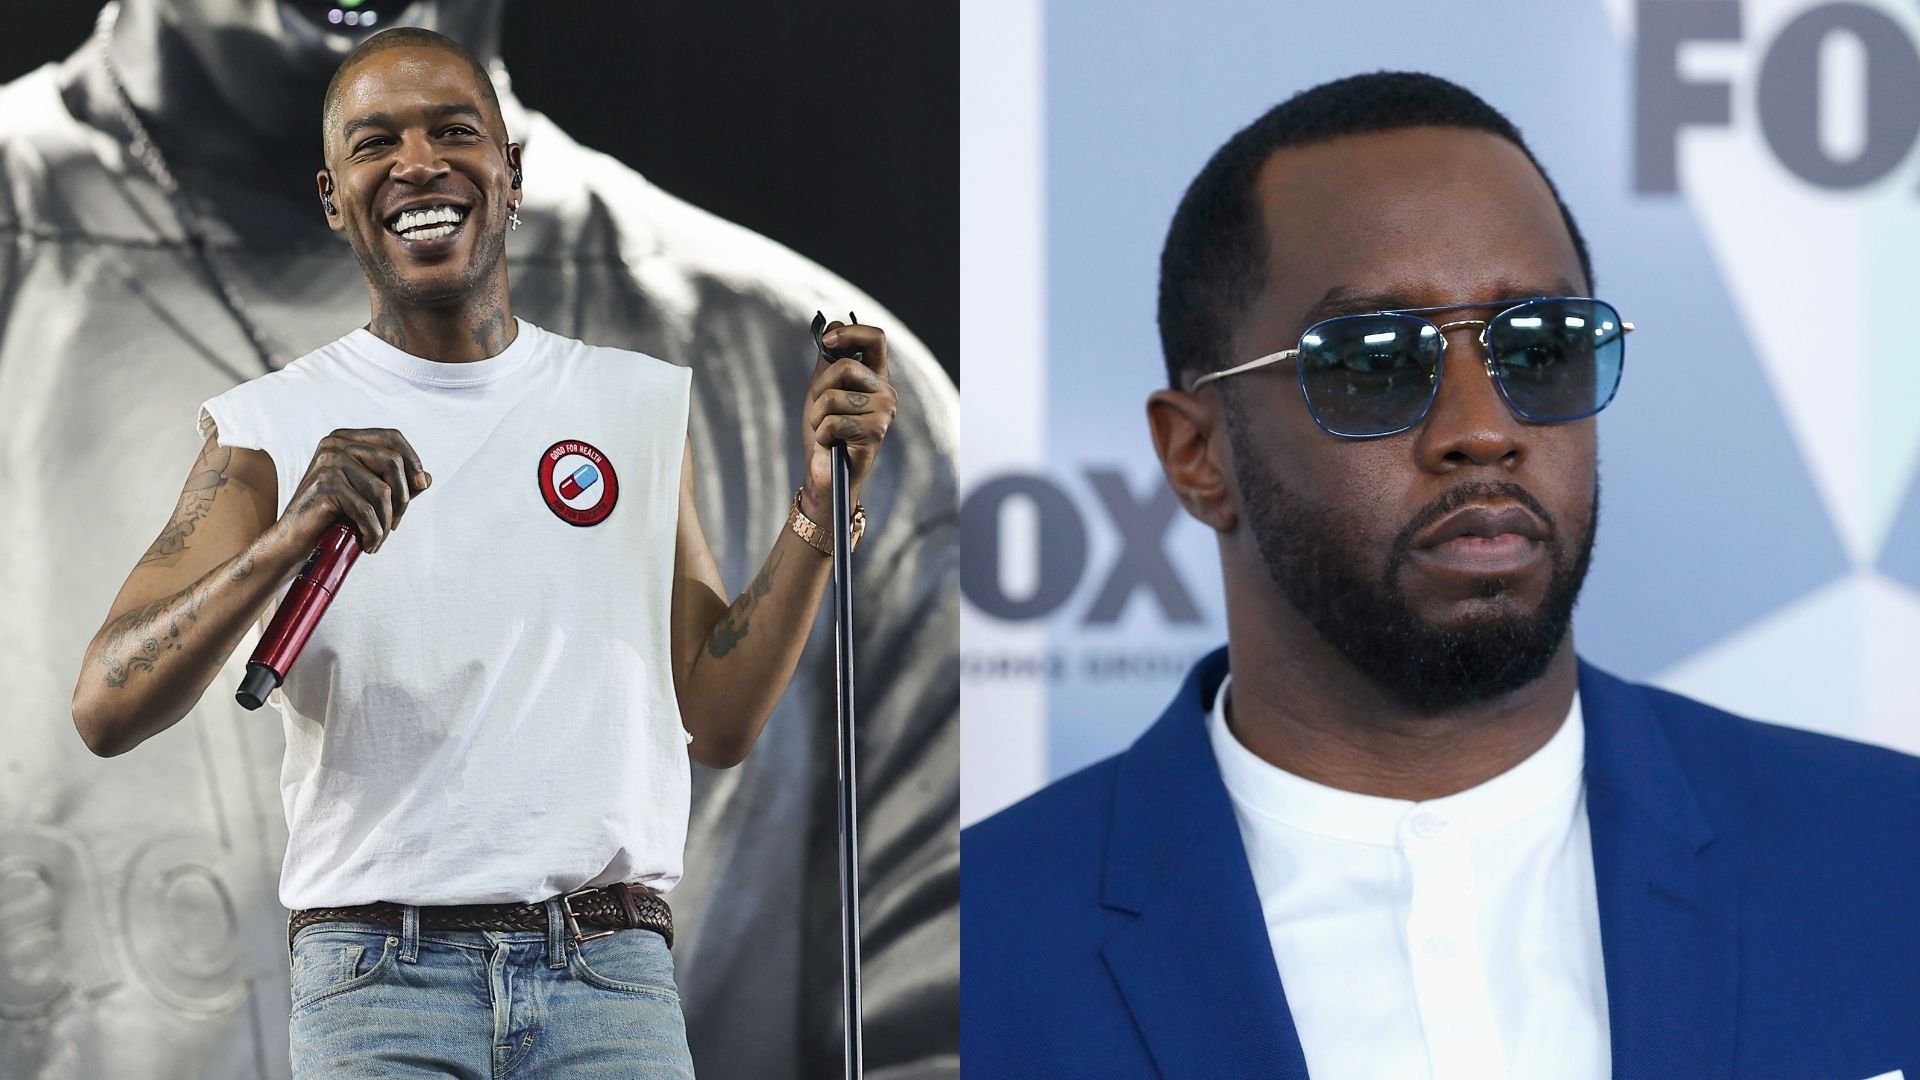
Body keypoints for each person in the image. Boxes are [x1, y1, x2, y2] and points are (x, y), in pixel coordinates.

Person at [1, 3, 955, 1079]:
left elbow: (719, 719)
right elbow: (104, 706)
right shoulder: (265, 428)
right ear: (334, 198)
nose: (417, 163)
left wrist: (816, 518)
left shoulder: (635, 402)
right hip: (381, 987)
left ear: (510, 169)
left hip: (608, 978)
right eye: (375, 142)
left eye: (452, 132)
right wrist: (287, 539)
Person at [962, 72, 1920, 1080]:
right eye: (1375, 361)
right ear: (1198, 454)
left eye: (1541, 347)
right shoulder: (971, 956)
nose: (1482, 429)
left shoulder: (1886, 858)